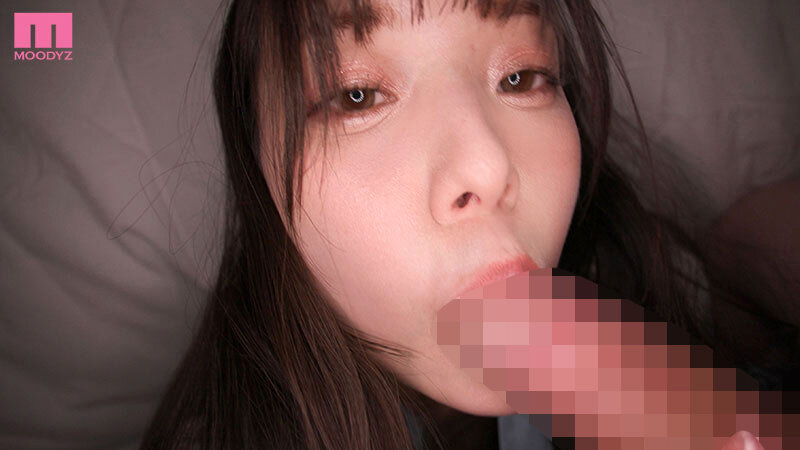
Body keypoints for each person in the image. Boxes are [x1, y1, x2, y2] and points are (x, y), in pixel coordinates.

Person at [140, 0, 798, 448]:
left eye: (521, 76)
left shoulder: (649, 292)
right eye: (356, 96)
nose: (489, 164)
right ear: (259, 182)